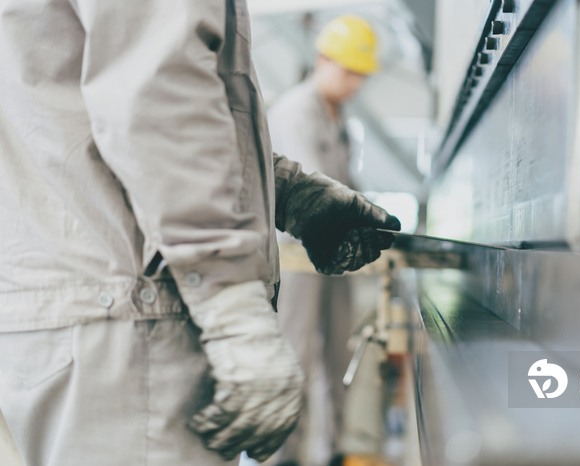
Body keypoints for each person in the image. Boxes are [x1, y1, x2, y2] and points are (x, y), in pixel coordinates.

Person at [0, 2, 399, 466]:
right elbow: (157, 98)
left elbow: (147, 104)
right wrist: (231, 302)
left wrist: (291, 195)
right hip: (131, 320)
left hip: (104, 307)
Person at [267, 15, 381, 466]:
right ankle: (282, 456)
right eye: (347, 71)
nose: (354, 83)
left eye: (361, 75)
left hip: (334, 256)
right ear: (321, 60)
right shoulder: (297, 110)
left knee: (337, 351)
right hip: (297, 257)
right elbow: (316, 195)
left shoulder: (339, 119)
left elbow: (349, 186)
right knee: (294, 353)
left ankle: (331, 450)